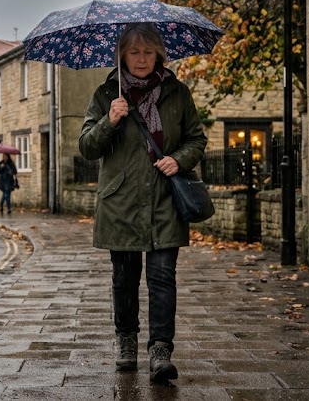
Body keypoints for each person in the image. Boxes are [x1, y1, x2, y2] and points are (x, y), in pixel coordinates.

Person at [79, 22, 207, 383]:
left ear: (159, 55)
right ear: (121, 55)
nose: (141, 59)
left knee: (163, 278)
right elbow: (87, 146)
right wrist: (110, 119)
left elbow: (196, 139)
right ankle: (126, 342)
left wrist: (179, 159)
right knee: (124, 278)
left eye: (148, 52)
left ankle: (160, 351)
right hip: (120, 202)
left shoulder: (177, 92)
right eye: (134, 52)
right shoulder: (106, 94)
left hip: (165, 199)